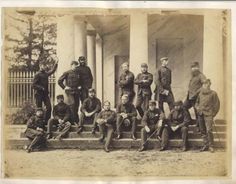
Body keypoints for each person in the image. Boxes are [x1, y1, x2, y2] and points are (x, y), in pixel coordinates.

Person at [195, 79, 220, 153]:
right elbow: (197, 103)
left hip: (209, 114)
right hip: (200, 114)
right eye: (204, 84)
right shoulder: (200, 93)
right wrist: (197, 108)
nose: (206, 85)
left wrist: (213, 114)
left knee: (209, 130)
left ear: (209, 85)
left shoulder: (213, 93)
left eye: (207, 84)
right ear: (202, 85)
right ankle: (205, 145)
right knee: (202, 131)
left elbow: (217, 105)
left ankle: (211, 146)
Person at [32, 58, 58, 123]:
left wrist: (56, 63)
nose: (44, 67)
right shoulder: (37, 74)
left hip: (45, 94)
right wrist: (41, 88)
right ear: (40, 66)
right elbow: (33, 85)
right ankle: (38, 122)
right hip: (38, 94)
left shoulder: (46, 74)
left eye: (44, 66)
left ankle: (46, 122)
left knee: (49, 107)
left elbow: (52, 71)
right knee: (39, 109)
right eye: (42, 66)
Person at [183, 62, 206, 127]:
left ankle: (199, 126)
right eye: (192, 68)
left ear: (198, 68)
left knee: (197, 111)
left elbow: (205, 85)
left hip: (197, 97)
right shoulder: (193, 76)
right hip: (190, 97)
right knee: (184, 107)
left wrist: (197, 92)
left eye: (194, 67)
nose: (193, 69)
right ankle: (189, 120)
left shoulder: (201, 75)